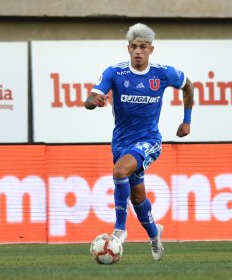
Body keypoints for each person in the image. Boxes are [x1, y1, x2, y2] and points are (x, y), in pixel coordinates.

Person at [84, 23, 194, 261]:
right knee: (137, 197)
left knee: (120, 170)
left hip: (149, 140)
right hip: (121, 142)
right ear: (128, 48)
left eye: (143, 47)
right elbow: (89, 99)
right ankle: (155, 235)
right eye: (134, 47)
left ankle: (120, 229)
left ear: (151, 50)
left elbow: (188, 85)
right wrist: (95, 100)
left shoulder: (163, 73)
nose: (138, 51)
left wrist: (187, 121)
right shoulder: (115, 72)